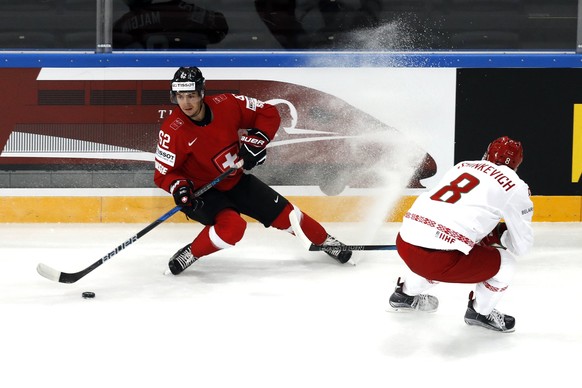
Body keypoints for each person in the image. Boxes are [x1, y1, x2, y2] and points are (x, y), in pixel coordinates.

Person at [153, 66, 352, 275]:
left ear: (202, 93)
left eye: (191, 95)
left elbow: (268, 113)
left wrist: (255, 143)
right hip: (203, 192)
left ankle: (326, 241)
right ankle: (192, 252)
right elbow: (163, 174)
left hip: (235, 181)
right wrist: (180, 188)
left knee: (288, 214)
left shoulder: (227, 104)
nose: (186, 103)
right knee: (233, 228)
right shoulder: (172, 130)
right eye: (180, 96)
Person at [388, 136, 534, 332]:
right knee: (506, 265)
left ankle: (404, 294)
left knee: (448, 249)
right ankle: (480, 313)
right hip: (440, 259)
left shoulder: (464, 165)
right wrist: (500, 235)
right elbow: (522, 247)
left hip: (405, 241)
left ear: (487, 153)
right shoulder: (517, 186)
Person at [113, 0, 228, 50]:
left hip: (148, 70)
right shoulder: (190, 12)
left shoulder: (126, 20)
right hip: (194, 69)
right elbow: (220, 28)